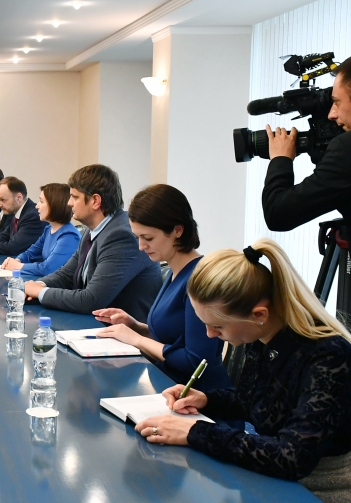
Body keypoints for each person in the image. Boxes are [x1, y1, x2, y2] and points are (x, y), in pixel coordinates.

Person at [133, 240, 351, 501]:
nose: (209, 335)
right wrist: (206, 400)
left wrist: (194, 432)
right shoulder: (260, 336)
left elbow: (293, 457)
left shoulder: (328, 356)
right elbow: (253, 402)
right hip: (276, 475)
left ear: (259, 315)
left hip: (321, 488)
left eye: (218, 327)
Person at [92, 184, 232, 391]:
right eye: (138, 238)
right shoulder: (175, 270)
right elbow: (176, 337)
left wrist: (136, 339)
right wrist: (136, 326)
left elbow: (195, 361)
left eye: (148, 238)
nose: (141, 246)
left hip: (197, 395)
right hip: (169, 385)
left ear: (177, 231)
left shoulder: (198, 279)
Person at [23, 165, 162, 322]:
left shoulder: (122, 236)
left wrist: (40, 292)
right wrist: (38, 285)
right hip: (96, 324)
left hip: (122, 331)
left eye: (74, 197)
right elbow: (67, 274)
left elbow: (91, 300)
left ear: (95, 201)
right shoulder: (92, 230)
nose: (69, 203)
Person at [263, 56, 351, 231]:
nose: (331, 114)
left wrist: (280, 159)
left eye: (336, 102)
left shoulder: (346, 148)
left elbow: (277, 214)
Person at [1, 183, 80, 277]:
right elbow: (30, 253)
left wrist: (18, 266)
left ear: (55, 204)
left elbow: (48, 268)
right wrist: (17, 260)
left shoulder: (69, 236)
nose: (37, 206)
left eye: (41, 202)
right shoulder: (48, 229)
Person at [0, 177, 47, 257]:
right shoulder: (18, 211)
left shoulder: (32, 216)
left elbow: (13, 247)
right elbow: (6, 233)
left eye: (2, 200)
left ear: (18, 198)